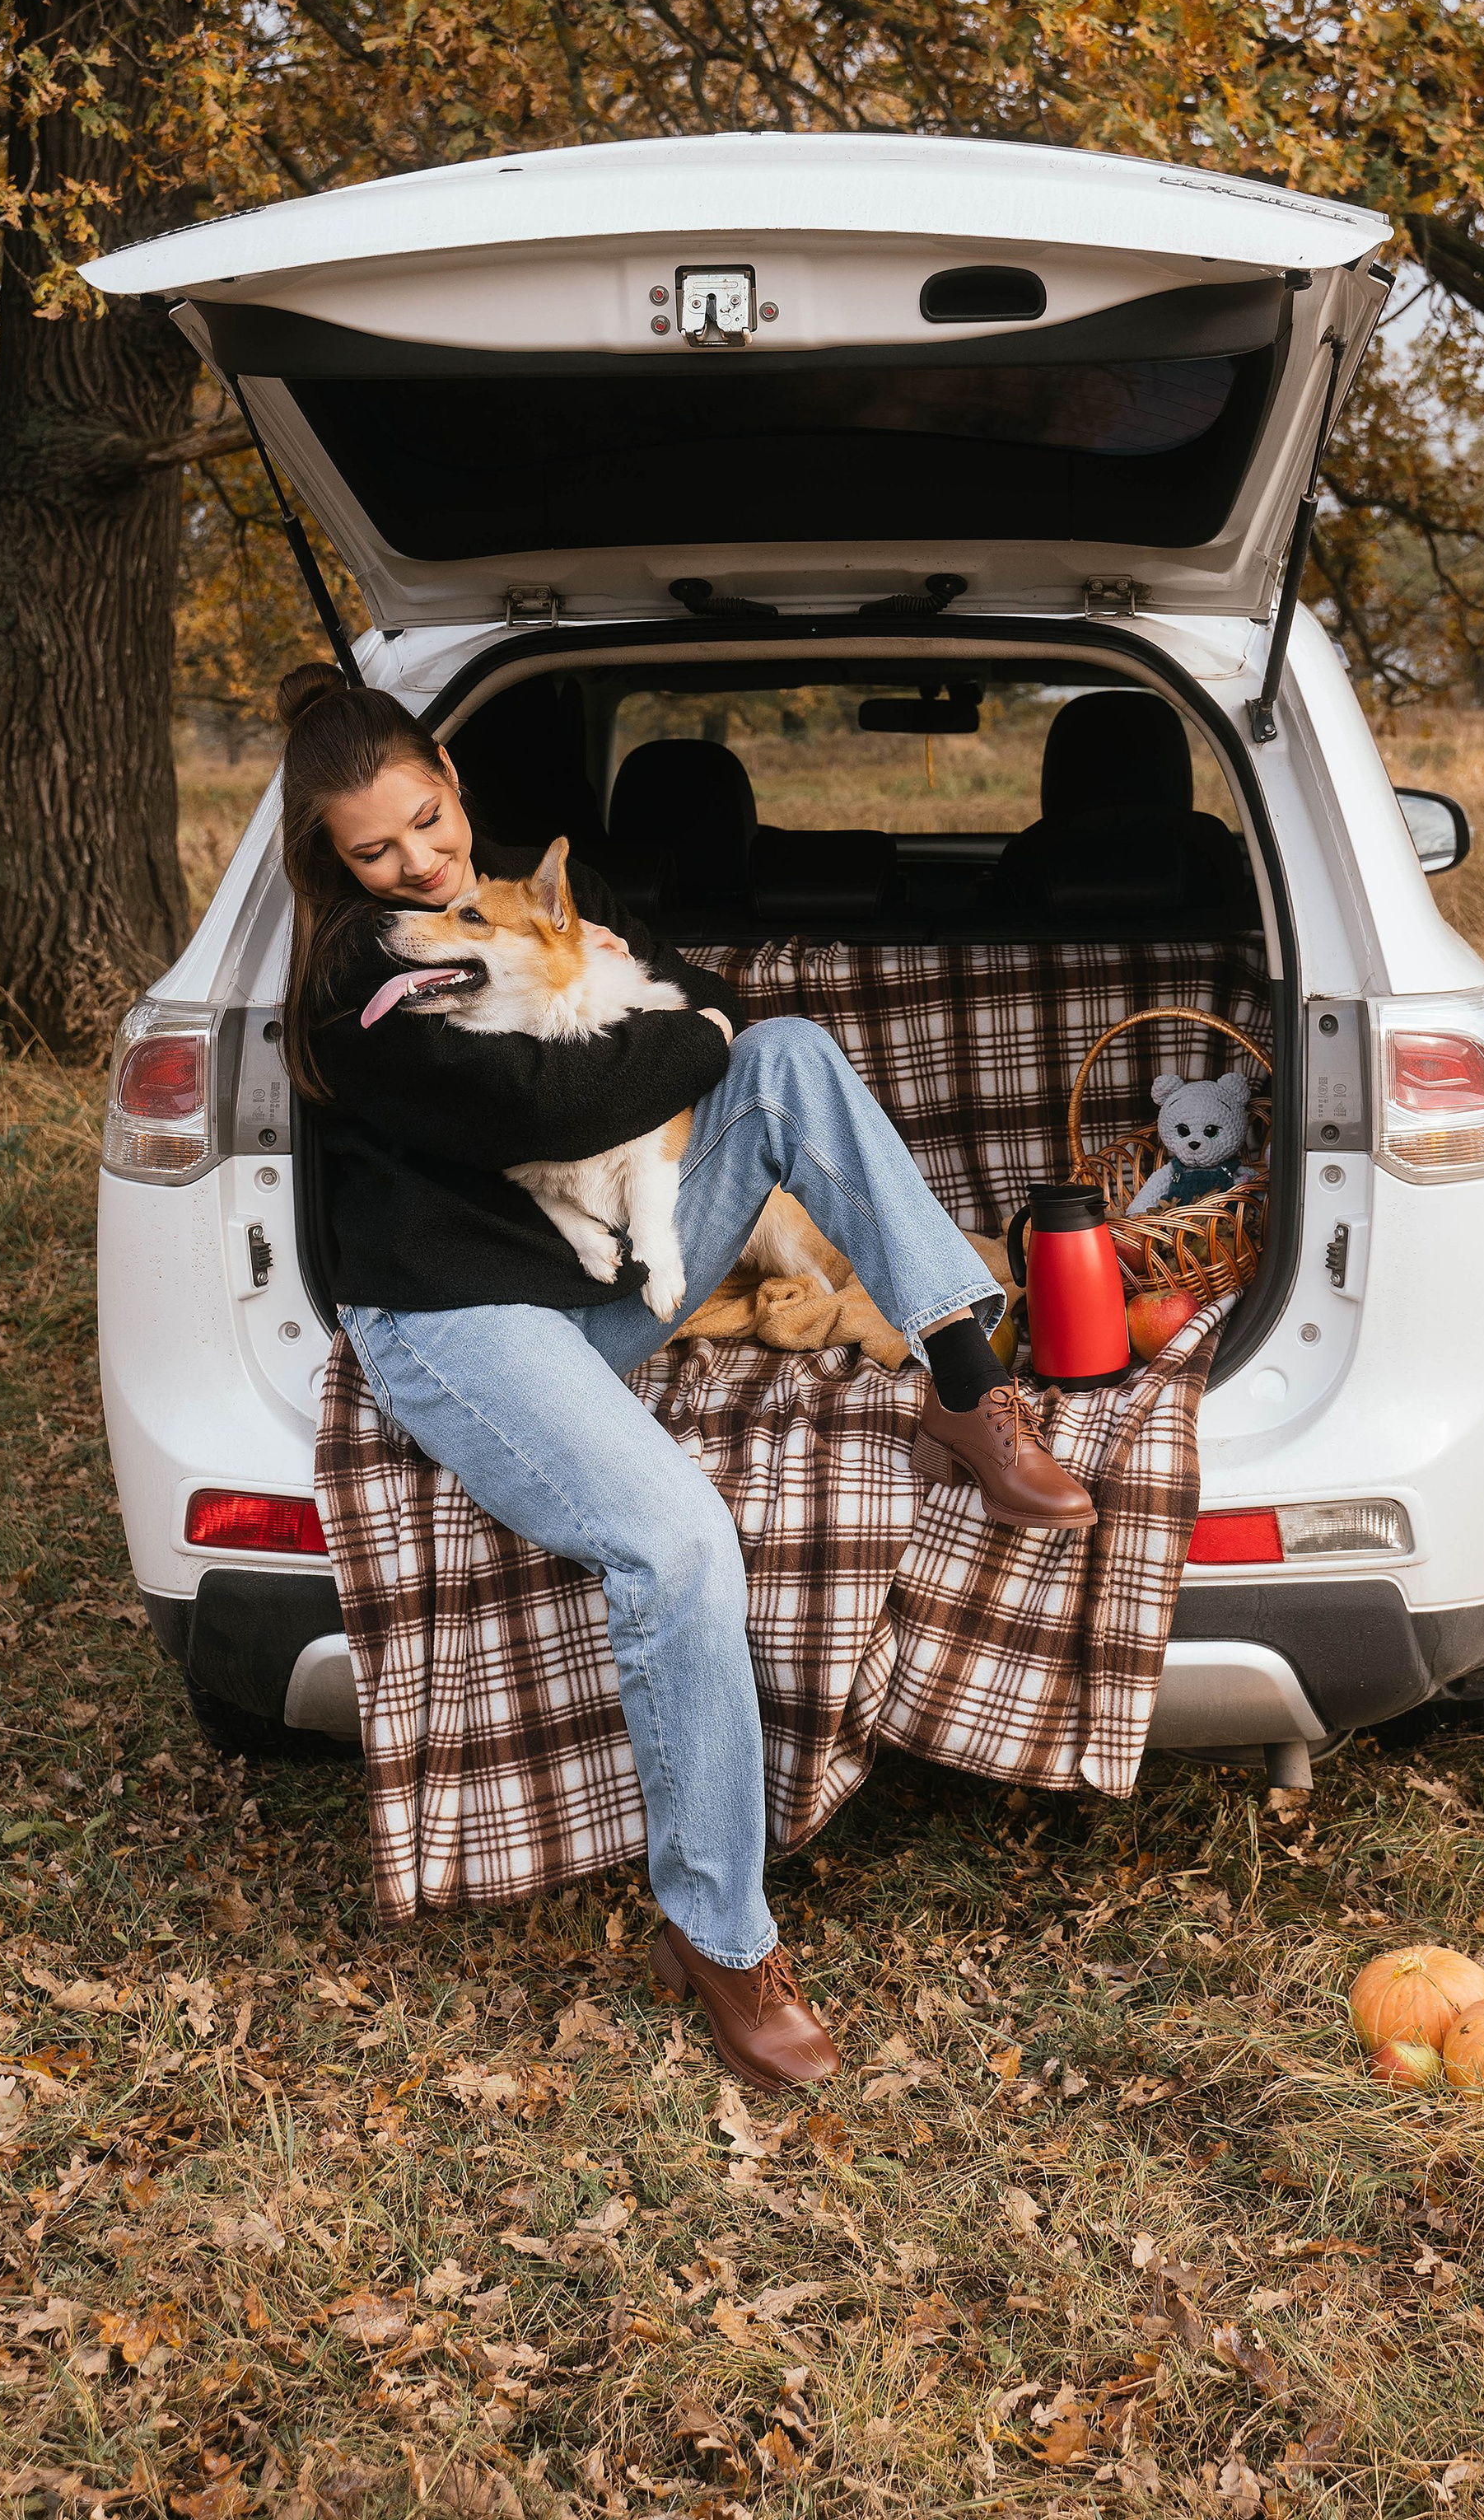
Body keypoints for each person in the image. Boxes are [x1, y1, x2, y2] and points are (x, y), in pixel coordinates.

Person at [275, 662, 1092, 2091]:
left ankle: (962, 1378)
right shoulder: (370, 967)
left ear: (455, 789)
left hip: (584, 1292)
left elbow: (706, 996)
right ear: (334, 864)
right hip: (463, 1324)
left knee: (782, 1053)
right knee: (676, 1539)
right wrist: (687, 1034)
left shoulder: (513, 901)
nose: (415, 862)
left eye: (425, 821)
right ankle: (717, 1937)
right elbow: (559, 1099)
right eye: (374, 849)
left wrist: (705, 1030)